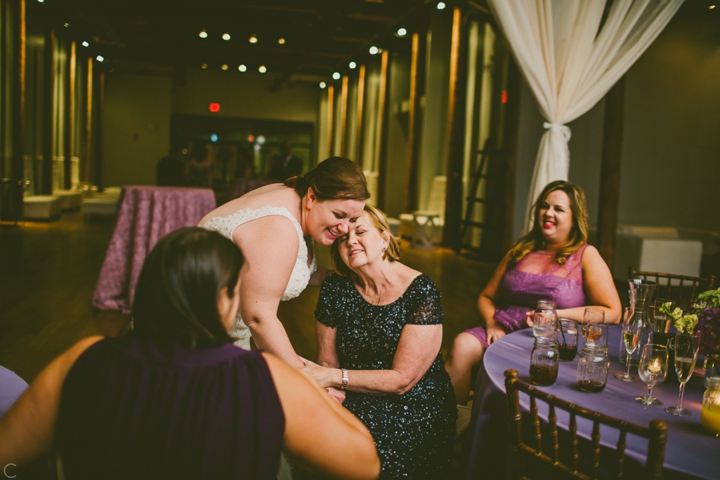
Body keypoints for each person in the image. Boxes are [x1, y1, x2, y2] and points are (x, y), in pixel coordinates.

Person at [0, 228, 380, 480]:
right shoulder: (265, 377)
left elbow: (8, 454)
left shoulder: (84, 357)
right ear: (222, 300)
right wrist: (311, 381)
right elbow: (364, 463)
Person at [302, 205, 457, 479]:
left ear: (385, 239)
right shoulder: (336, 288)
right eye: (342, 238)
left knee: (364, 447)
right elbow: (327, 360)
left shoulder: (420, 290)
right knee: (306, 429)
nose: (350, 241)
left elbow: (401, 380)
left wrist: (330, 377)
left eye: (360, 231)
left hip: (416, 403)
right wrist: (331, 391)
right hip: (351, 391)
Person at [444, 180, 622, 404]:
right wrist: (491, 322)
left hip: (549, 342)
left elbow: (613, 311)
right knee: (461, 344)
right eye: (544, 206)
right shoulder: (520, 251)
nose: (548, 213)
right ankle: (451, 425)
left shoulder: (585, 255)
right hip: (502, 331)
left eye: (558, 209)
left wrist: (557, 316)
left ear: (574, 218)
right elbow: (486, 297)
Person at [198, 157, 369, 367]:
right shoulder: (279, 227)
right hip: (201, 338)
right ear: (312, 197)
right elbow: (259, 316)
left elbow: (280, 269)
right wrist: (303, 376)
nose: (345, 229)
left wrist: (336, 277)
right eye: (338, 215)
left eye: (352, 220)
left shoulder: (294, 194)